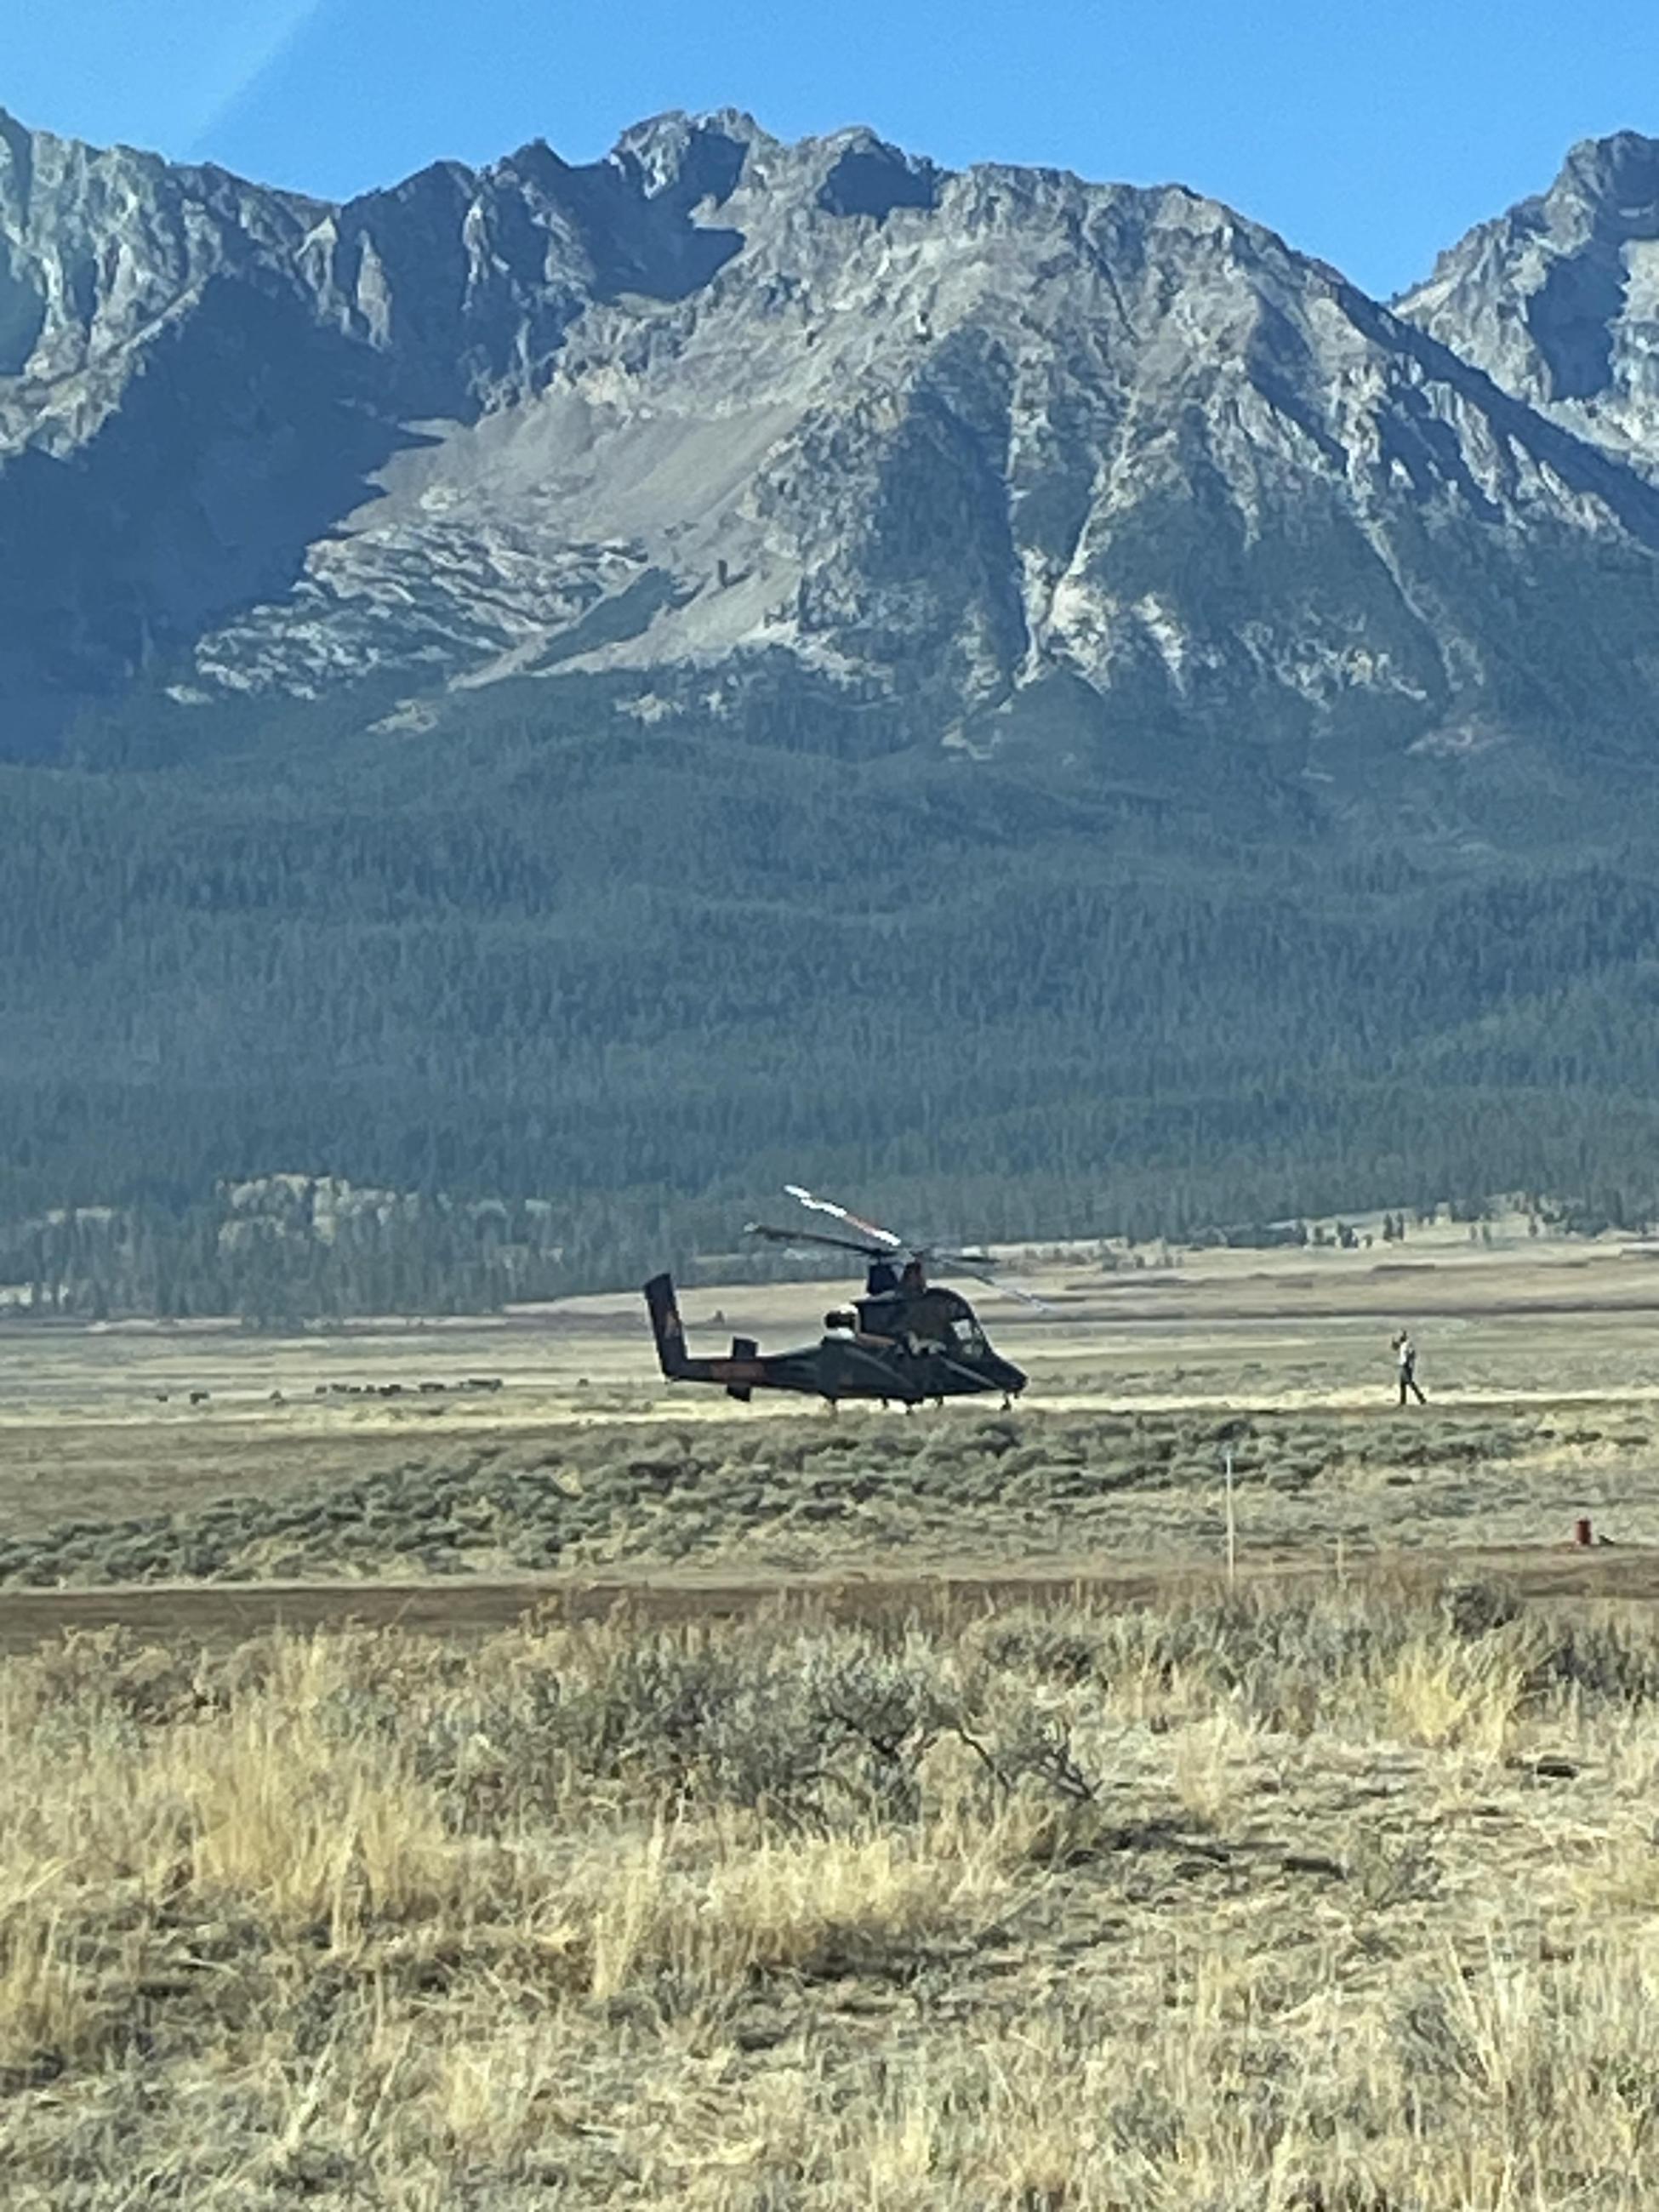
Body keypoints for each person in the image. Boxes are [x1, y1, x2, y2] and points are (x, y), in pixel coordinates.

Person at [1392, 1329, 1426, 1407]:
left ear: (1404, 1336)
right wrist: (1393, 1342)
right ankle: (1403, 1401)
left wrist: (1409, 1361)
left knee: (1410, 1383)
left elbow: (1413, 1353)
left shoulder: (1408, 1344)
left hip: (1406, 1366)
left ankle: (1421, 1399)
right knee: (1403, 1384)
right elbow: (1395, 1347)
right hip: (1402, 1366)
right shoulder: (1402, 1344)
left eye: (1400, 1336)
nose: (1399, 1338)